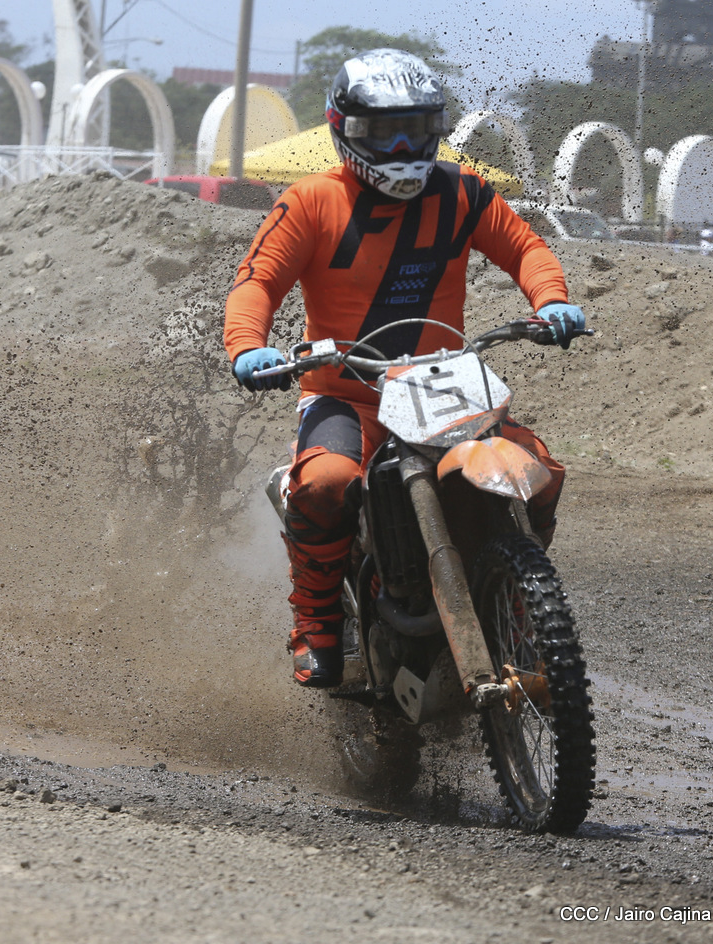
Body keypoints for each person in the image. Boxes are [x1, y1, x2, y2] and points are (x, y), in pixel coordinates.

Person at [223, 49, 588, 688]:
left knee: (539, 475)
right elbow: (256, 282)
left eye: (415, 129)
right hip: (345, 394)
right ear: (344, 129)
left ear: (437, 128)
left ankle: (516, 599)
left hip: (443, 386)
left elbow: (526, 248)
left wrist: (551, 300)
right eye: (383, 131)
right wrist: (249, 346)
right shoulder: (310, 202)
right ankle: (316, 621)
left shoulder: (464, 191)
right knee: (326, 484)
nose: (400, 147)